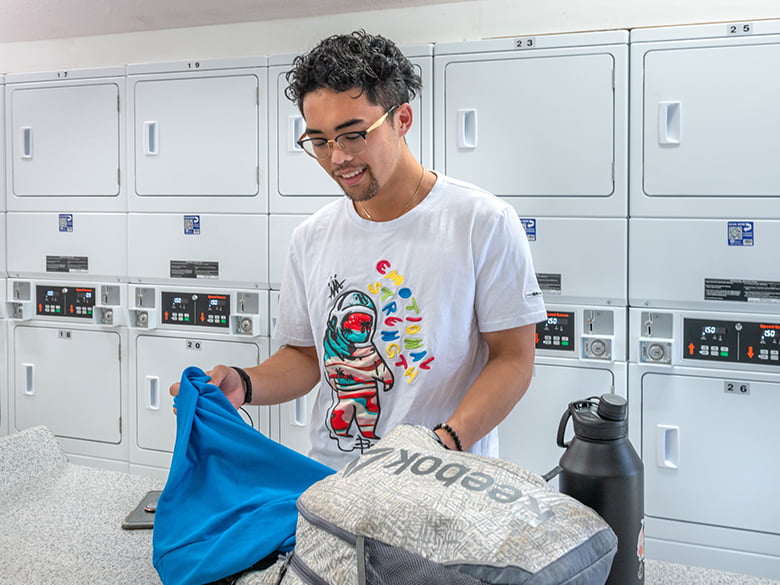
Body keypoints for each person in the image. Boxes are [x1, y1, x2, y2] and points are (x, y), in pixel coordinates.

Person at [170, 30, 546, 470]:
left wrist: (442, 443)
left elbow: (514, 359)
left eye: (353, 135)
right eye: (320, 141)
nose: (337, 158)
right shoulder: (311, 237)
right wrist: (244, 383)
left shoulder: (481, 222)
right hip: (336, 479)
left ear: (402, 119)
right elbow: (307, 356)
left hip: (443, 478)